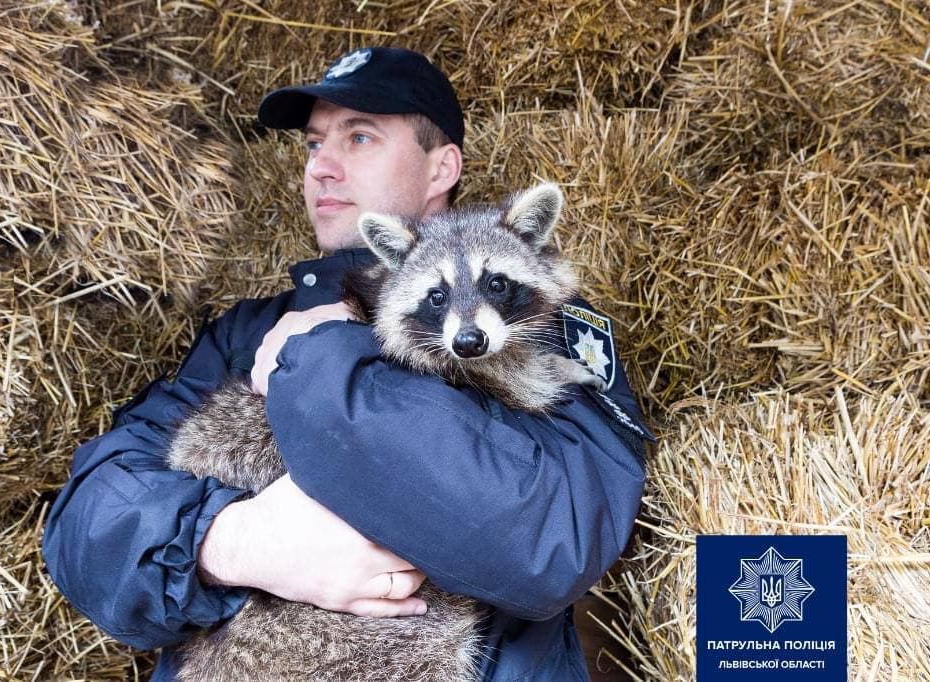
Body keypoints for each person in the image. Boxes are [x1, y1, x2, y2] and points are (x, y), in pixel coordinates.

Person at [42, 46, 653, 680]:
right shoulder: (243, 331)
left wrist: (318, 353)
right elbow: (87, 520)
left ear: (442, 166)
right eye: (313, 145)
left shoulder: (540, 319)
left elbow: (552, 543)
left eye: (359, 137)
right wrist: (234, 543)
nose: (322, 168)